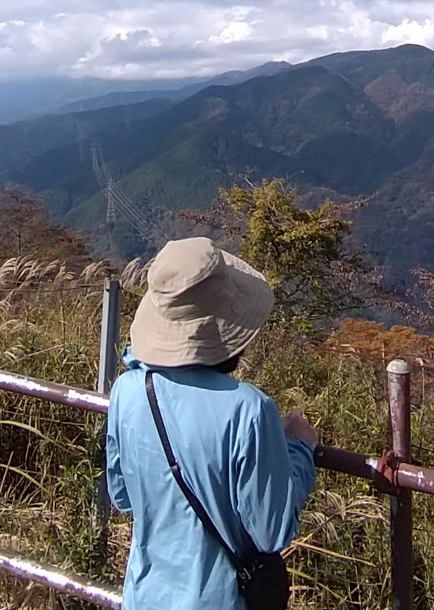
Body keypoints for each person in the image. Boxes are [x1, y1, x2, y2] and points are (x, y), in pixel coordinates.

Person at [105, 236, 319, 608]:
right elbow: (271, 532)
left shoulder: (126, 389)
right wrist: (299, 448)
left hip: (143, 596)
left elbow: (122, 495)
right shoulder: (249, 410)